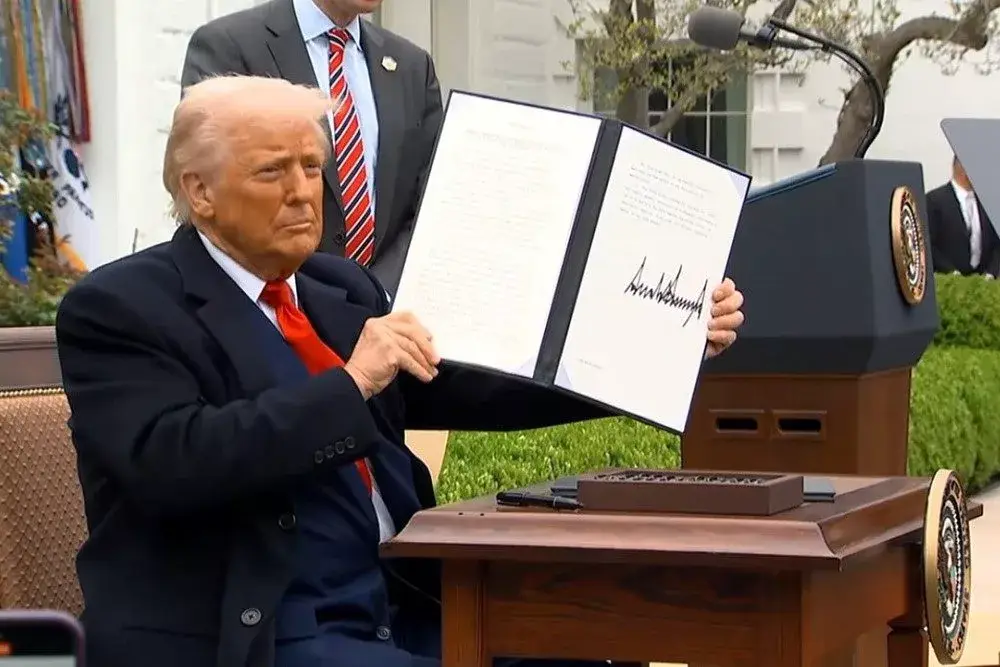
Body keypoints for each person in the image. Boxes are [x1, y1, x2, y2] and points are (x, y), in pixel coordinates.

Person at [55, 76, 746, 667]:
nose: (304, 192)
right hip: (256, 630)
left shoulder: (335, 289)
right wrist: (351, 384)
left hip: (405, 601)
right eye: (273, 171)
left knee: (583, 647)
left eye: (311, 166)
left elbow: (475, 378)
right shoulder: (120, 307)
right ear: (199, 191)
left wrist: (657, 344)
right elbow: (177, 461)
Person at [181, 0, 441, 294]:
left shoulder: (412, 66)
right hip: (271, 310)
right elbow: (218, 197)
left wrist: (373, 295)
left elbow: (430, 202)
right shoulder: (230, 46)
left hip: (383, 309)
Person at [925, 155, 1000, 276]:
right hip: (949, 283)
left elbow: (996, 242)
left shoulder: (987, 201)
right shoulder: (934, 201)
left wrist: (991, 273)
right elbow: (927, 245)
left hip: (984, 282)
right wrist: (951, 273)